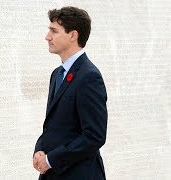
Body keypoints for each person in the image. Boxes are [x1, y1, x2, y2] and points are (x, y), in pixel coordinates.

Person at [33, 6, 108, 180]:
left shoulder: (89, 76)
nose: (47, 37)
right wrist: (39, 149)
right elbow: (53, 125)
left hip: (78, 174)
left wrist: (51, 160)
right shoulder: (56, 74)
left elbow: (94, 136)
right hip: (52, 173)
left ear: (73, 35)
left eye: (54, 31)